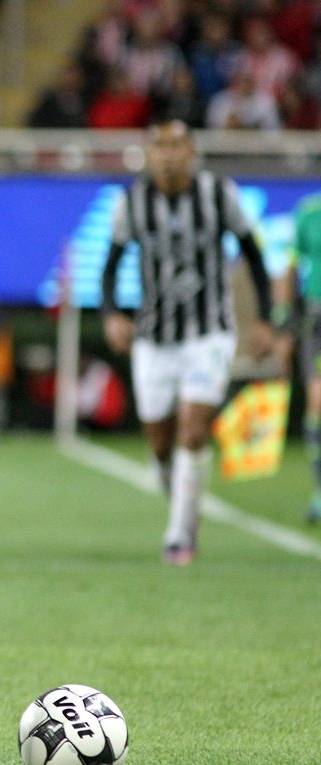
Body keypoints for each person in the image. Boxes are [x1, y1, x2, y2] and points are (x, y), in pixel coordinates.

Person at [100, 119, 273, 565]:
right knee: (160, 443)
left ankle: (180, 535)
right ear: (149, 153)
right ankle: (179, 494)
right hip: (154, 337)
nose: (170, 154)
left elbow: (253, 254)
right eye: (161, 145)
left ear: (192, 151)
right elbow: (111, 264)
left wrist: (265, 321)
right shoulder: (132, 202)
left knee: (194, 429)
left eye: (178, 145)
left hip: (208, 333)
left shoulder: (219, 194)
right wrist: (112, 314)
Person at [273, 191, 321, 522]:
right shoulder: (309, 213)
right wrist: (283, 324)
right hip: (318, 319)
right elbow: (288, 269)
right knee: (318, 400)